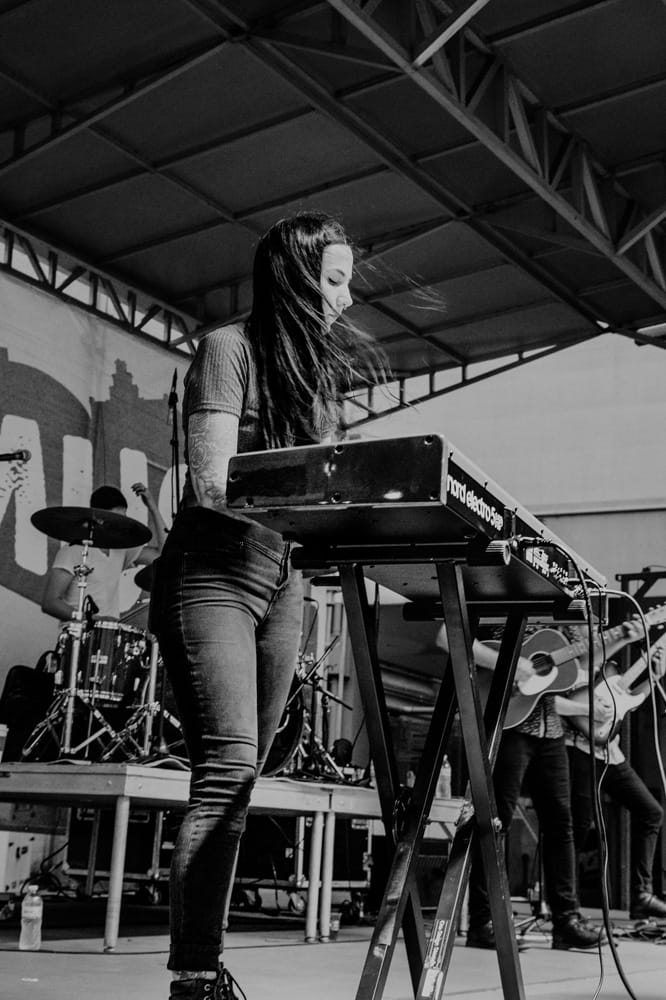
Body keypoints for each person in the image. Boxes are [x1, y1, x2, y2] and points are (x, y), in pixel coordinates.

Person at [149, 212, 385, 1000]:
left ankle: (203, 963)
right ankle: (193, 978)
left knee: (245, 778)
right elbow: (212, 482)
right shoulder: (228, 349)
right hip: (213, 572)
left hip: (284, 580)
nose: (347, 299)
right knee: (226, 769)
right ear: (293, 276)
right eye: (335, 280)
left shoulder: (315, 381)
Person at [436, 621, 642, 950]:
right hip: (508, 724)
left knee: (562, 826)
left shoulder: (565, 616)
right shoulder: (499, 605)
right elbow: (447, 636)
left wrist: (620, 639)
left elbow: (581, 665)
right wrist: (510, 664)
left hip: (550, 730)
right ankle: (483, 922)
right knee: (494, 823)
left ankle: (566, 922)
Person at [557, 636, 666, 921]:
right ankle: (566, 906)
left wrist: (654, 676)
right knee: (578, 827)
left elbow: (628, 700)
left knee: (651, 812)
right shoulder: (575, 651)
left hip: (610, 754)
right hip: (577, 750)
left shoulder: (612, 669)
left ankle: (641, 895)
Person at [41, 482, 167, 624]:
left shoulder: (121, 549)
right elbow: (50, 603)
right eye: (116, 519)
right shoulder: (73, 550)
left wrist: (152, 507)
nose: (121, 525)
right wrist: (92, 619)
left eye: (123, 518)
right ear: (98, 518)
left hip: (107, 632)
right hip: (78, 631)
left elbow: (164, 554)